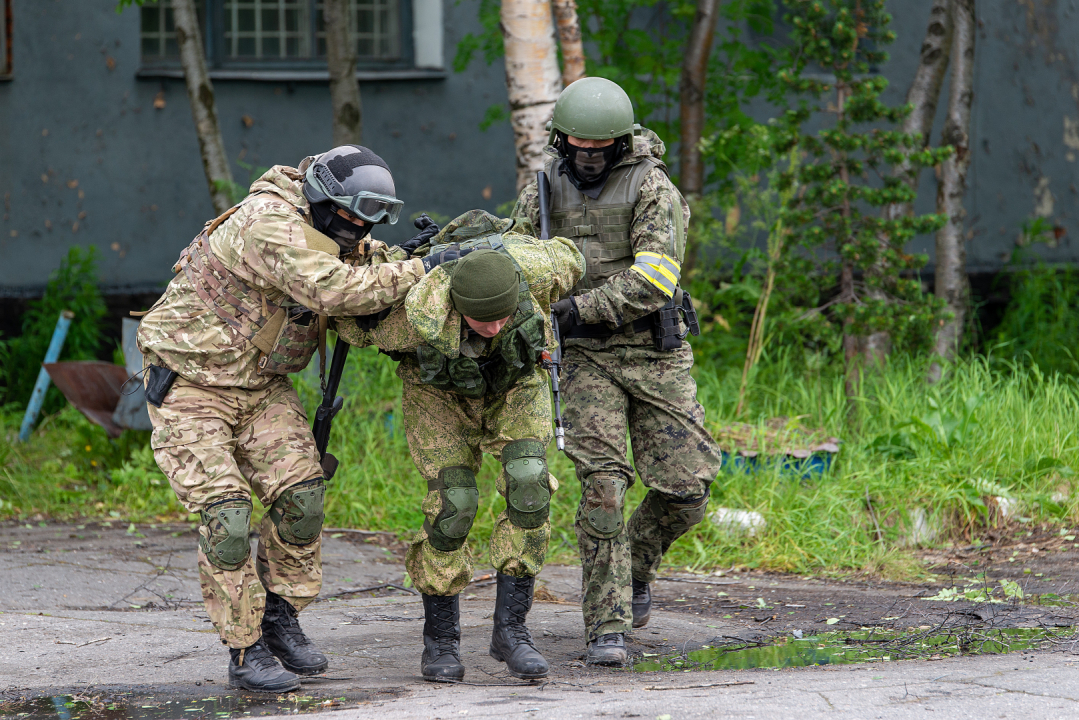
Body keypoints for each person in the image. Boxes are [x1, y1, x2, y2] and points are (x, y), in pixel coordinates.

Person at [137, 145, 435, 692]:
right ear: (323, 199)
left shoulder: (332, 224)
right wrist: (422, 271)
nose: (359, 226)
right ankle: (245, 648)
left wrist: (415, 256)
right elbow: (333, 288)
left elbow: (365, 260)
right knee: (226, 518)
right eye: (351, 213)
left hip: (259, 386)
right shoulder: (269, 223)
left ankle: (279, 616)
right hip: (192, 387)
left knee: (302, 496)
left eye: (371, 216)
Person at [512, 78, 723, 666]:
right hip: (582, 358)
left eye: (599, 149)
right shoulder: (542, 189)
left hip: (653, 352)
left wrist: (579, 306)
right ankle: (607, 626)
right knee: (603, 486)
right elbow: (520, 258)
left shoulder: (652, 187)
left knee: (687, 490)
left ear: (620, 145)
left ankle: (636, 564)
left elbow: (656, 278)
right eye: (576, 147)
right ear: (561, 141)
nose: (587, 158)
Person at [335, 209, 584, 682]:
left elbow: (573, 258)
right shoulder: (415, 316)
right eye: (479, 320)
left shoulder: (536, 270)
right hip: (439, 397)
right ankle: (441, 640)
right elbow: (348, 321)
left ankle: (511, 630)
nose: (492, 329)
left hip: (515, 387)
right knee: (455, 504)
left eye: (502, 318)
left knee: (530, 487)